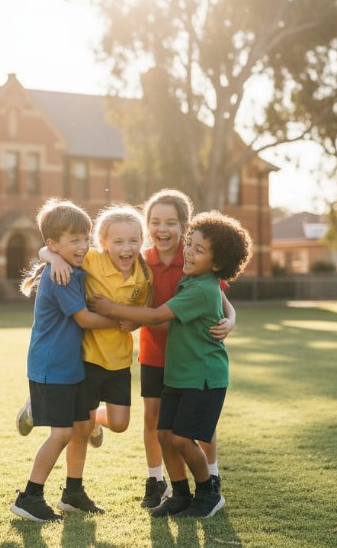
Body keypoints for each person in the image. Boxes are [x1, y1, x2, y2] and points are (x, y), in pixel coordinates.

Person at [90, 211, 253, 519]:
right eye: (189, 245)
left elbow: (154, 317)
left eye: (198, 250)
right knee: (164, 435)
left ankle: (208, 491)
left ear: (217, 264)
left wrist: (110, 308)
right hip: (179, 377)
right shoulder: (191, 281)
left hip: (203, 379)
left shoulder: (203, 288)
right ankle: (179, 494)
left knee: (181, 438)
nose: (188, 252)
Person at [10, 198, 120, 523]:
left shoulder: (72, 267)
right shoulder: (61, 276)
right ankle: (29, 496)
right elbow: (85, 319)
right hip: (51, 369)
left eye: (85, 238)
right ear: (54, 244)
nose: (83, 245)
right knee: (61, 433)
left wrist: (51, 255)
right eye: (75, 240)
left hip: (72, 368)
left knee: (83, 427)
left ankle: (73, 493)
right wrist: (123, 321)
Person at [137, 189, 236, 508]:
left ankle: (211, 475)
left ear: (184, 226)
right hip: (155, 352)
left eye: (170, 222)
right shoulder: (141, 260)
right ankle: (156, 481)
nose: (162, 229)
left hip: (193, 359)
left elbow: (222, 302)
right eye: (154, 222)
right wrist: (49, 255)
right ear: (147, 225)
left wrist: (231, 321)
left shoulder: (195, 258)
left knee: (198, 427)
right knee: (156, 421)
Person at [41, 204, 151, 438]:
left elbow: (142, 312)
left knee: (120, 424)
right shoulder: (91, 259)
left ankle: (98, 421)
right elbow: (51, 248)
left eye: (133, 240)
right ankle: (66, 415)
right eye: (118, 242)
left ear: (143, 240)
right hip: (88, 357)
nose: (126, 248)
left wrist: (135, 323)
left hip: (120, 359)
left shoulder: (144, 274)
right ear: (102, 243)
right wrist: (54, 259)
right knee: (82, 426)